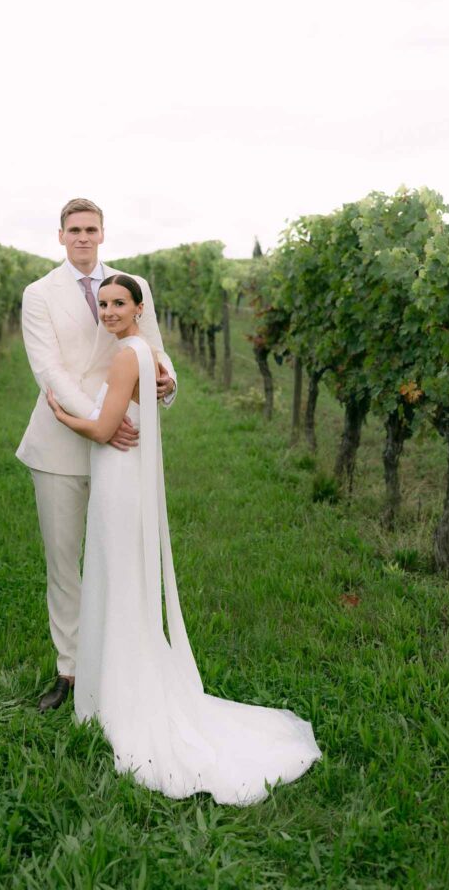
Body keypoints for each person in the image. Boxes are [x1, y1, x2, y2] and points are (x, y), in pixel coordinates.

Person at [46, 273, 322, 805]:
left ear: (138, 307)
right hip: (121, 478)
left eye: (117, 303)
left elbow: (105, 430)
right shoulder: (146, 353)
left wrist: (63, 413)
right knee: (121, 575)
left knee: (119, 576)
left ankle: (122, 694)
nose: (107, 311)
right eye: (102, 303)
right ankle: (117, 680)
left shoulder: (129, 355)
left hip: (118, 480)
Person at [16, 199, 177, 712]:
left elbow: (151, 346)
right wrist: (102, 423)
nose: (83, 237)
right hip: (66, 438)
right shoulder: (38, 295)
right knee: (65, 562)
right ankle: (69, 669)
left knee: (120, 555)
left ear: (103, 233)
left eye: (91, 229)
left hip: (121, 444)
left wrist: (168, 384)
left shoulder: (134, 285)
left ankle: (122, 661)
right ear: (60, 236)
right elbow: (50, 372)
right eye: (74, 230)